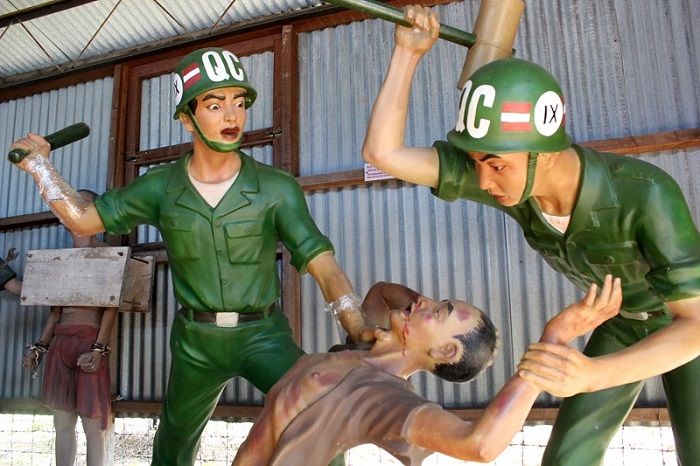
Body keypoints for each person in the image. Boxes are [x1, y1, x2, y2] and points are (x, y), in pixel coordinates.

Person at [361, 6, 700, 465]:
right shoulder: (516, 186)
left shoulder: (647, 193)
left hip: (684, 330)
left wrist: (591, 375)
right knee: (566, 458)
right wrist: (408, 53)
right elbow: (383, 154)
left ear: (547, 154)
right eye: (477, 164)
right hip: (621, 321)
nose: (484, 181)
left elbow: (695, 323)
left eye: (496, 165)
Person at [10, 47, 374, 465]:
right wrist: (42, 168)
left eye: (239, 103)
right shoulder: (160, 187)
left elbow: (323, 264)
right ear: (187, 118)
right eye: (215, 105)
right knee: (173, 445)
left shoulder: (276, 188)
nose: (232, 116)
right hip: (196, 342)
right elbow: (85, 220)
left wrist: (357, 325)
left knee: (319, 415)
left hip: (263, 335)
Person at [233, 276, 621, 466]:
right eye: (434, 302)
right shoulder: (361, 348)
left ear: (444, 351)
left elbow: (480, 444)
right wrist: (417, 316)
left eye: (438, 312)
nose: (424, 303)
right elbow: (383, 292)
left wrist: (551, 342)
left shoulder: (384, 398)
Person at [2, 190, 116, 466]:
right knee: (62, 424)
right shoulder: (60, 260)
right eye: (70, 205)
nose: (74, 209)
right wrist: (40, 347)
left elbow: (112, 307)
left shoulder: (108, 256)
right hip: (61, 344)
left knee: (94, 425)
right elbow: (55, 309)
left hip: (88, 342)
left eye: (82, 204)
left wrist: (98, 349)